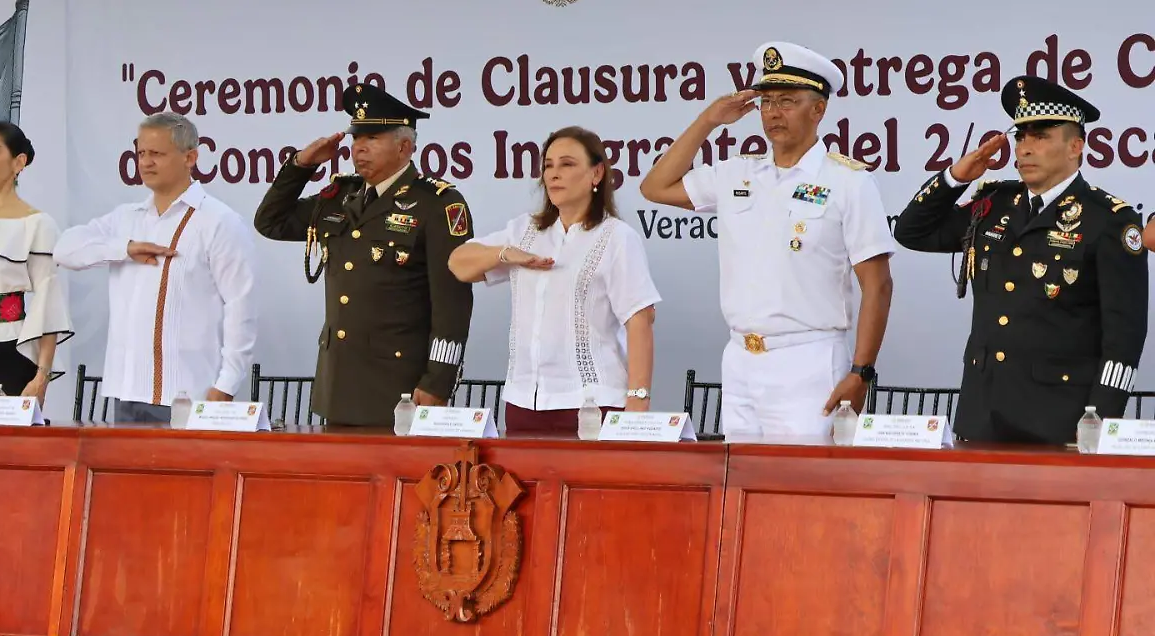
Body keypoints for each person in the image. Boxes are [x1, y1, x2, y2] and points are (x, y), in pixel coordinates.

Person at [639, 42, 895, 439]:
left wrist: (861, 371)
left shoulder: (848, 182)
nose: (773, 112)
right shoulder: (738, 174)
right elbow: (655, 187)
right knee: (743, 487)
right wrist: (709, 120)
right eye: (767, 101)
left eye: (788, 101)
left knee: (805, 491)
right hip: (740, 358)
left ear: (818, 109)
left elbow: (877, 284)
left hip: (809, 359)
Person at [894, 76, 1148, 444]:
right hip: (981, 418)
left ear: (1076, 147)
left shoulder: (1108, 219)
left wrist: (1098, 426)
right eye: (1021, 137)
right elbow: (910, 232)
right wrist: (955, 178)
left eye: (1041, 136)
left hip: (1060, 425)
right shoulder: (993, 205)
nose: (1025, 148)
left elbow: (1124, 338)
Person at [253, 83, 473, 426]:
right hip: (338, 386)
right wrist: (302, 164)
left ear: (404, 147)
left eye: (372, 138)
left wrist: (438, 383)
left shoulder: (436, 204)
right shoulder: (341, 197)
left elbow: (453, 304)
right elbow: (271, 222)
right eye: (356, 139)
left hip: (400, 390)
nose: (359, 148)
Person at [448, 126, 660, 433]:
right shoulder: (525, 230)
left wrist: (637, 405)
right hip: (523, 403)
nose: (554, 174)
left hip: (592, 403)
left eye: (567, 164)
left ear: (596, 173)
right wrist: (506, 253)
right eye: (548, 166)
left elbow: (640, 319)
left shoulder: (616, 237)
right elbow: (458, 264)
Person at [53, 112, 257, 423]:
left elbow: (241, 307)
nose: (146, 163)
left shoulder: (219, 221)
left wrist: (226, 385)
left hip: (190, 393)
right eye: (141, 154)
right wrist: (124, 248)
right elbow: (64, 249)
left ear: (190, 157)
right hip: (127, 390)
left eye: (157, 154)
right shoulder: (127, 218)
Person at [0, 122, 73, 417]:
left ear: (19, 162)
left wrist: (41, 376)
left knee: (3, 451)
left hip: (8, 350)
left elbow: (48, 301)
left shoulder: (37, 224)